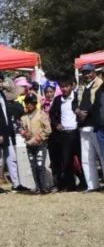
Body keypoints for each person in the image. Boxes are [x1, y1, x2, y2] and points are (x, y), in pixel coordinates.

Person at [0, 71, 24, 194]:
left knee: (11, 158)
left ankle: (16, 184)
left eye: (0, 81)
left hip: (7, 130)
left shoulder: (0, 93)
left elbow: (4, 113)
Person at [49, 78, 81, 191]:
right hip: (64, 134)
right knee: (66, 161)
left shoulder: (78, 96)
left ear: (72, 86)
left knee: (82, 159)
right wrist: (56, 124)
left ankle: (85, 183)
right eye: (62, 87)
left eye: (66, 86)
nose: (64, 89)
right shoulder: (58, 99)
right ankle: (70, 185)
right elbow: (52, 114)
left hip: (77, 133)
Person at [75, 63, 103, 191]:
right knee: (86, 157)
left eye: (89, 72)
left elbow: (98, 104)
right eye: (84, 73)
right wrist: (77, 111)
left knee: (102, 155)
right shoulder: (81, 86)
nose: (86, 75)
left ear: (94, 72)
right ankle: (92, 185)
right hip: (83, 126)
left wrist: (87, 113)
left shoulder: (100, 85)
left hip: (95, 125)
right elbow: (74, 102)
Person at [21, 93, 53, 194]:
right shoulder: (24, 117)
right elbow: (22, 129)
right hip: (29, 144)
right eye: (27, 103)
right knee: (33, 166)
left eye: (31, 103)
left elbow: (48, 129)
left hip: (40, 144)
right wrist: (23, 132)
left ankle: (43, 187)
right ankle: (38, 187)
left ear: (35, 103)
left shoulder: (42, 114)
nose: (29, 105)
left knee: (40, 165)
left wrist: (40, 137)